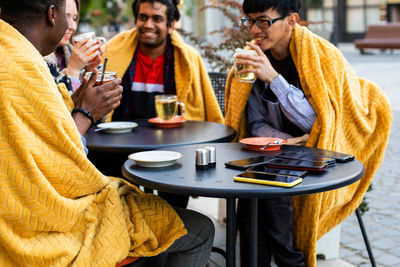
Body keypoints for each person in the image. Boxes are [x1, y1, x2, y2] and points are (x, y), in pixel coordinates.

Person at [0, 1, 214, 266]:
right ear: (52, 14)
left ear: (170, 25)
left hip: (20, 215)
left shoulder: (13, 54)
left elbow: (34, 142)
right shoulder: (25, 66)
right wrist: (87, 113)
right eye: (68, 16)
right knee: (200, 228)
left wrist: (76, 103)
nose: (71, 25)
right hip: (40, 229)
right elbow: (59, 167)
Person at [224, 0, 392, 266]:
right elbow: (254, 123)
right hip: (282, 151)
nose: (254, 30)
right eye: (249, 21)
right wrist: (288, 141)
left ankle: (286, 259)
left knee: (265, 187)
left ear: (291, 21)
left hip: (327, 152)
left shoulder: (323, 56)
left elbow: (321, 124)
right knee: (253, 194)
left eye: (264, 21)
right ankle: (280, 260)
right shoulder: (254, 58)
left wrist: (274, 79)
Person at [93, 0, 224, 208]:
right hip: (118, 151)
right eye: (143, 17)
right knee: (116, 206)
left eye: (157, 19)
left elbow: (205, 110)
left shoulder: (187, 59)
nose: (148, 24)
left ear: (171, 25)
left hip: (173, 153)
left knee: (174, 211)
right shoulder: (114, 52)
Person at [44, 0, 102, 92]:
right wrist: (73, 69)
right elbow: (58, 103)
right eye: (66, 17)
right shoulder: (38, 60)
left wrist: (89, 71)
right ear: (49, 16)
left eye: (74, 18)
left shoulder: (69, 52)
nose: (73, 26)